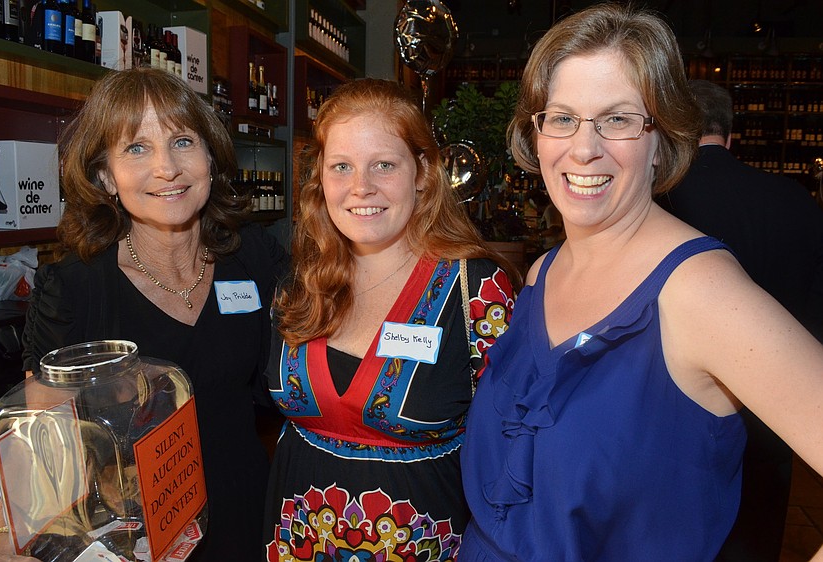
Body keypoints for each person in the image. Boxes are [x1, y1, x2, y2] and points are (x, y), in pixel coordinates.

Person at [459, 4, 823, 561]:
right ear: (535, 134)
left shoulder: (699, 293)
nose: (584, 148)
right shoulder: (544, 272)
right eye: (561, 117)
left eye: (619, 119)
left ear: (664, 138)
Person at [0, 68, 287, 562]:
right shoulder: (76, 289)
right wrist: (1, 541)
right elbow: (39, 445)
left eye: (183, 141)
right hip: (136, 537)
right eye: (136, 149)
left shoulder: (253, 256)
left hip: (249, 513)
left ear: (210, 156)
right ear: (105, 175)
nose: (167, 168)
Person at [262, 78, 519, 560]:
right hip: (297, 541)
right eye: (342, 166)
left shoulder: (477, 290)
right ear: (321, 175)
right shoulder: (300, 278)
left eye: (384, 164)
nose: (362, 187)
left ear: (422, 171)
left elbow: (516, 450)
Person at [658, 79, 823, 562]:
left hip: (681, 412)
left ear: (675, 133)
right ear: (730, 136)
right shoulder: (794, 199)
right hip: (779, 415)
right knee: (759, 531)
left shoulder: (659, 201)